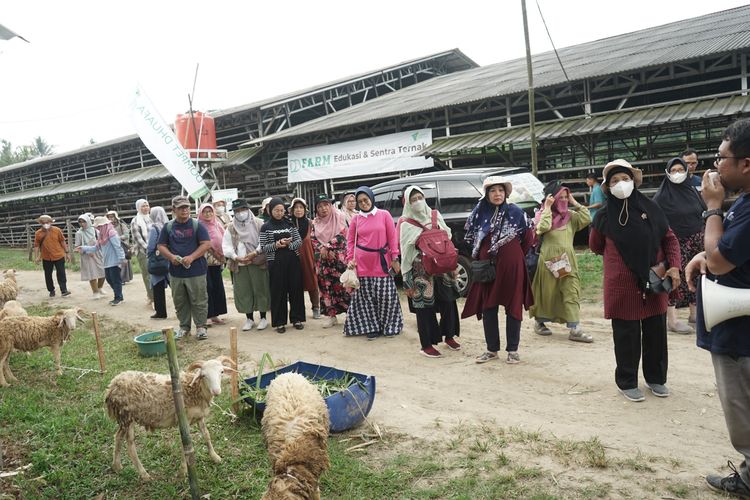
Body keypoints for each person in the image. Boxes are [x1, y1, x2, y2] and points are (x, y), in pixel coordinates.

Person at [685, 119, 750, 497]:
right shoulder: (743, 202)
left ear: (746, 163)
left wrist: (712, 208)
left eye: (721, 158)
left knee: (742, 407)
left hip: (741, 333)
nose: (716, 167)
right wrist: (704, 255)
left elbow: (723, 259)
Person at [589, 159, 681, 402]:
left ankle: (656, 378)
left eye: (625, 179)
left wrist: (674, 267)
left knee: (656, 332)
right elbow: (595, 246)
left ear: (634, 182)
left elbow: (669, 239)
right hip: (622, 283)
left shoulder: (651, 209)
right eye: (615, 181)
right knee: (626, 334)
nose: (621, 184)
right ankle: (627, 381)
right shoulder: (602, 217)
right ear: (607, 187)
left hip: (655, 278)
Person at [461, 177, 533, 364]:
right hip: (487, 268)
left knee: (513, 306)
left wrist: (513, 255)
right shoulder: (478, 214)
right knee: (488, 307)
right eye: (493, 190)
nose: (497, 194)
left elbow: (528, 238)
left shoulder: (516, 212)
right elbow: (469, 239)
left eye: (501, 190)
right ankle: (492, 349)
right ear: (486, 194)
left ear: (506, 193)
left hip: (512, 267)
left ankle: (513, 350)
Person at [399, 185, 461, 358]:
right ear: (407, 203)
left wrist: (453, 265)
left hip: (442, 266)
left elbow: (447, 237)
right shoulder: (406, 224)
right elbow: (406, 254)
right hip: (421, 269)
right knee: (424, 307)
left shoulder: (435, 215)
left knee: (449, 301)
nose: (418, 202)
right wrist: (407, 280)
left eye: (420, 197)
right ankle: (426, 345)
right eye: (413, 199)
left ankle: (449, 335)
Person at [530, 181, 593, 342]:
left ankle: (575, 329)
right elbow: (542, 228)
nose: (564, 200)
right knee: (547, 294)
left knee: (571, 291)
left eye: (567, 197)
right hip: (548, 261)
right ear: (551, 198)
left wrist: (574, 202)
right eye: (561, 197)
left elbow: (586, 218)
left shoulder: (570, 217)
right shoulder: (542, 214)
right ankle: (540, 322)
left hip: (567, 261)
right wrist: (547, 208)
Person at [652, 157, 706, 334]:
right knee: (674, 279)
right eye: (673, 170)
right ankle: (672, 320)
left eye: (680, 170)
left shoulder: (691, 191)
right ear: (667, 173)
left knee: (695, 277)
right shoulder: (661, 197)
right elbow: (655, 223)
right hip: (674, 245)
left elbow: (701, 211)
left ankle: (694, 314)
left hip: (695, 242)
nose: (677, 174)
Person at [344, 186, 403, 340]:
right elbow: (350, 241)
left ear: (371, 198)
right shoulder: (356, 219)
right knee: (366, 298)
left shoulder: (384, 215)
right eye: (360, 201)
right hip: (362, 265)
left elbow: (392, 239)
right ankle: (372, 327)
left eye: (366, 199)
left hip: (382, 262)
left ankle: (390, 326)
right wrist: (350, 258)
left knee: (386, 296)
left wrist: (395, 258)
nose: (363, 203)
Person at [157, 195, 212, 340]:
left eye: (187, 207)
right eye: (181, 208)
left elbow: (206, 243)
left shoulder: (197, 225)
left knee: (199, 300)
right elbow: (161, 245)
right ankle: (184, 327)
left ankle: (201, 327)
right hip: (176, 273)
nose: (185, 210)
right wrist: (171, 257)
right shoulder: (168, 227)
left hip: (197, 271)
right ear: (173, 210)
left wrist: (192, 257)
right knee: (180, 301)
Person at [258, 198, 306, 333]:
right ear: (270, 211)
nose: (279, 213)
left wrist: (289, 244)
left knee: (295, 290)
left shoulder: (289, 224)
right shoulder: (265, 227)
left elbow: (299, 242)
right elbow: (263, 247)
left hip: (293, 261)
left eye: (281, 210)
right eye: (276, 210)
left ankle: (297, 319)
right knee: (278, 292)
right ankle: (279, 322)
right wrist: (276, 245)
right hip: (275, 262)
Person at [222, 199, 270, 331]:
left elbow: (264, 241)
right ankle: (249, 318)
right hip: (240, 264)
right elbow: (226, 245)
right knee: (244, 291)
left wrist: (255, 253)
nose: (240, 213)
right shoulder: (231, 227)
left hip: (257, 261)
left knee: (261, 289)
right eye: (237, 211)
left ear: (248, 209)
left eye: (243, 210)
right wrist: (236, 257)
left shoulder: (259, 223)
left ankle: (263, 317)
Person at [310, 193, 351, 329]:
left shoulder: (340, 217)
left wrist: (328, 246)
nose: (323, 209)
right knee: (326, 288)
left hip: (338, 258)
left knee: (345, 286)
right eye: (320, 206)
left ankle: (350, 314)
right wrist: (323, 249)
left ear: (330, 205)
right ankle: (331, 316)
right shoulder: (315, 222)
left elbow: (343, 234)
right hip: (323, 261)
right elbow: (313, 239)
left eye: (326, 205)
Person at [76, 216, 126, 306]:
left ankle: (118, 297)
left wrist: (122, 259)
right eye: (97, 227)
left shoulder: (112, 233)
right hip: (106, 261)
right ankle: (118, 295)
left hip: (115, 261)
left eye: (99, 226)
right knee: (109, 279)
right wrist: (83, 248)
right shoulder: (101, 235)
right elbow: (96, 248)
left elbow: (118, 247)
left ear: (105, 225)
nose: (98, 228)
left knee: (115, 280)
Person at [198, 203, 228, 326]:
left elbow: (223, 238)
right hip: (203, 260)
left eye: (210, 211)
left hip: (217, 261)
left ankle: (216, 314)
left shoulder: (217, 224)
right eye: (205, 212)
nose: (208, 214)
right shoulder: (198, 226)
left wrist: (222, 254)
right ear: (201, 213)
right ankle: (207, 315)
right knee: (207, 287)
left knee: (217, 287)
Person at [291, 197, 321, 319]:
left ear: (305, 209)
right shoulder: (288, 223)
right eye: (296, 208)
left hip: (308, 256)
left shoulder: (310, 223)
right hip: (293, 257)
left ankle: (316, 307)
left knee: (312, 282)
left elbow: (316, 240)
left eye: (301, 207)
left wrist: (316, 257)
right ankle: (298, 310)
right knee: (295, 283)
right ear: (292, 210)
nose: (298, 210)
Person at [33, 214, 71, 298]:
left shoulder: (57, 230)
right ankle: (51, 290)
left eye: (47, 222)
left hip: (59, 255)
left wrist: (67, 253)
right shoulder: (38, 233)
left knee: (61, 273)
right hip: (46, 257)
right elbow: (36, 246)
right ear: (41, 223)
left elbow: (62, 242)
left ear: (50, 222)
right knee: (48, 274)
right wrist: (36, 257)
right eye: (43, 222)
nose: (46, 224)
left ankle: (64, 290)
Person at [74, 213, 106, 299]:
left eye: (83, 221)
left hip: (98, 253)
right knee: (92, 274)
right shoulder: (79, 233)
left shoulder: (95, 231)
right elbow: (77, 246)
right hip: (87, 256)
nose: (82, 224)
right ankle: (95, 292)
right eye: (80, 222)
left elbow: (102, 241)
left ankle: (100, 288)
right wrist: (86, 251)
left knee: (103, 271)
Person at [146, 206, 170, 319]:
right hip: (169, 259)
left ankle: (161, 312)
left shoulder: (154, 228)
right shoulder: (169, 226)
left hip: (158, 260)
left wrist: (149, 255)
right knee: (175, 286)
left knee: (158, 286)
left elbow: (151, 247)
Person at [130, 199, 154, 307]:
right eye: (143, 206)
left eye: (147, 205)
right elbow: (138, 239)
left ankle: (151, 296)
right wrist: (149, 249)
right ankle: (153, 298)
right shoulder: (135, 221)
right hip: (143, 252)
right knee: (147, 275)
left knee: (155, 274)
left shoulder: (151, 219)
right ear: (138, 208)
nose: (145, 208)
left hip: (154, 250)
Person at [106, 210, 133, 284]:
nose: (110, 219)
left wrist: (117, 238)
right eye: (108, 217)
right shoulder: (107, 227)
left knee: (123, 262)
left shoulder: (122, 225)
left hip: (122, 246)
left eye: (112, 217)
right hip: (112, 247)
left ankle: (122, 278)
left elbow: (126, 235)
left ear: (115, 217)